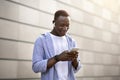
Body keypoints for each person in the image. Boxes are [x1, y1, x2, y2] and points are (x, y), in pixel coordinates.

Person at [32, 10, 81, 80]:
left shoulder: (71, 41)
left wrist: (74, 59)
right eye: (62, 25)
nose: (65, 28)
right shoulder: (42, 40)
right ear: (54, 22)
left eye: (67, 25)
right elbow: (36, 67)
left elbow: (77, 68)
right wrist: (57, 58)